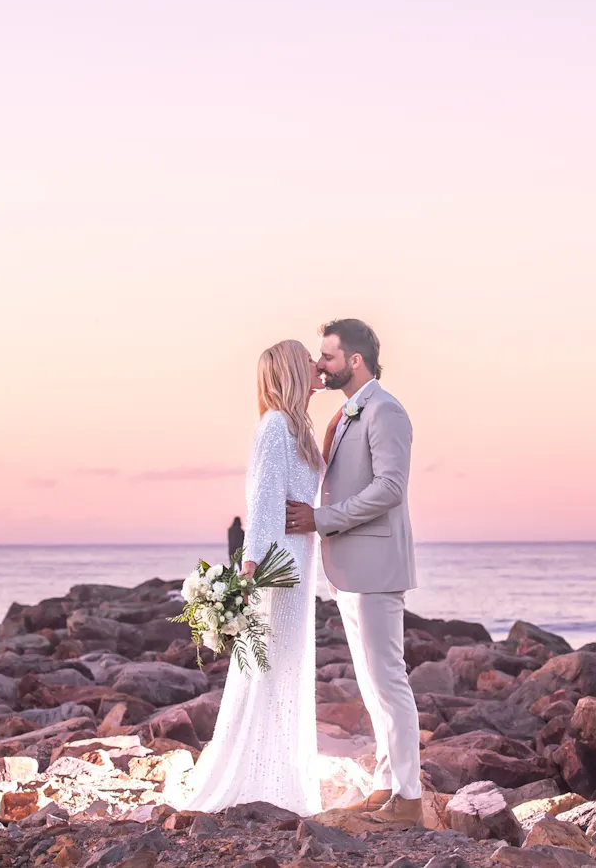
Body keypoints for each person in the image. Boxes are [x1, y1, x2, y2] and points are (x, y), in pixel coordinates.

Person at [171, 340, 324, 816]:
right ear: (291, 371)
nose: (315, 364)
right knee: (268, 669)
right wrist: (250, 572)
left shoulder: (300, 428)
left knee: (288, 667)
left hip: (299, 563)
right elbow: (262, 501)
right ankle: (256, 779)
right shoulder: (274, 426)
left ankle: (280, 774)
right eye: (307, 360)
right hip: (275, 566)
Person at [286, 318, 421, 826]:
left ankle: (409, 800)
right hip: (350, 569)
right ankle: (387, 783)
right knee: (370, 685)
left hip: (377, 567)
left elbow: (390, 489)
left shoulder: (385, 411)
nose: (320, 364)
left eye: (327, 356)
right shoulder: (346, 414)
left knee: (389, 682)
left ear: (355, 360)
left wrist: (322, 520)